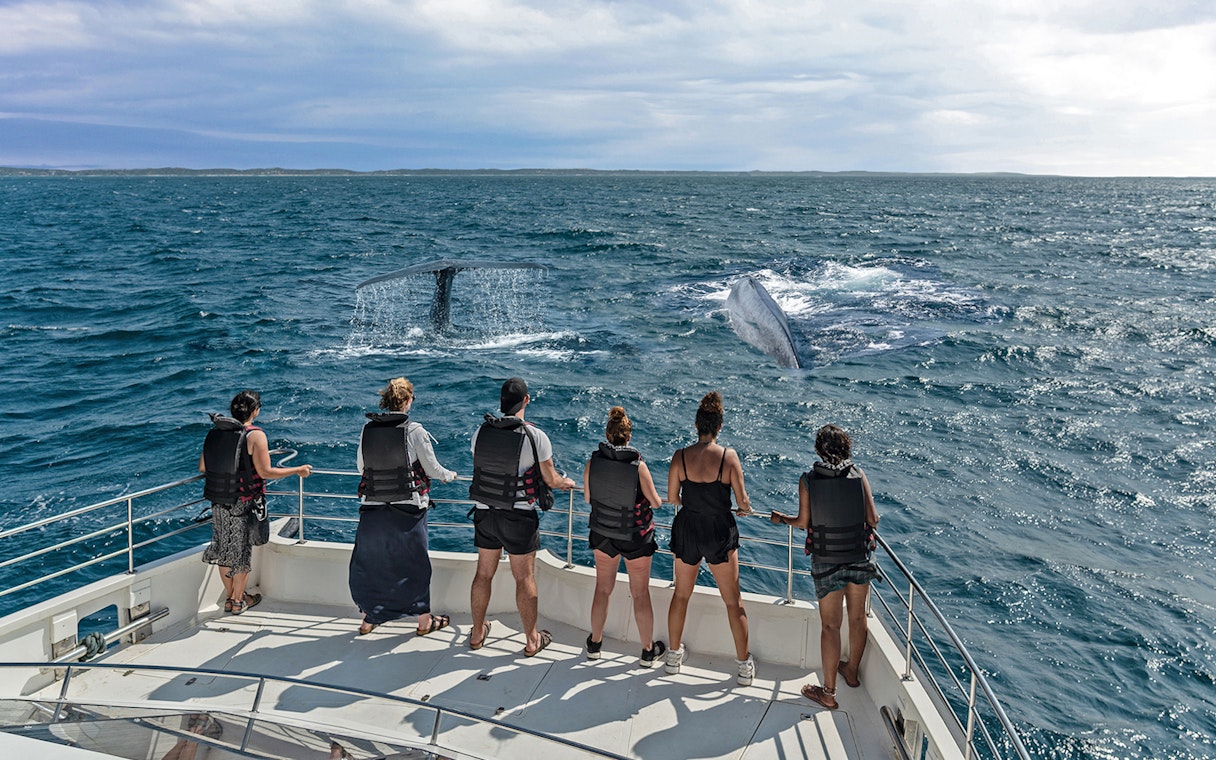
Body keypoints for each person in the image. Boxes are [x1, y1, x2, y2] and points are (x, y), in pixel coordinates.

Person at [770, 424, 881, 710]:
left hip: (827, 561)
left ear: (819, 450)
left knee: (831, 625)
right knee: (858, 618)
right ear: (846, 447)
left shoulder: (808, 480)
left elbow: (804, 523)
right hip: (859, 557)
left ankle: (829, 693)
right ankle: (852, 672)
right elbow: (874, 518)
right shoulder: (859, 474)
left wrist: (782, 519)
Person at [467, 377, 575, 656]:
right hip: (518, 517)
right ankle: (531, 640)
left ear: (502, 403)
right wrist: (566, 482)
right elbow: (550, 479)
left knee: (483, 574)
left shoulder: (480, 432)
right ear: (526, 400)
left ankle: (477, 633)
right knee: (524, 578)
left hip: (485, 513)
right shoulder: (535, 437)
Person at [350, 377, 458, 636]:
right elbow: (432, 469)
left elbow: (361, 468)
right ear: (408, 400)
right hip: (408, 509)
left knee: (374, 563)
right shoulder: (415, 431)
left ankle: (370, 618)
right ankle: (423, 621)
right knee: (414, 564)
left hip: (373, 507)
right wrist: (449, 475)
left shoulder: (368, 429)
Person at [665, 391, 755, 685]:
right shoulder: (728, 457)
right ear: (720, 425)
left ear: (696, 425)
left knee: (681, 594)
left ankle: (673, 657)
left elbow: (671, 497)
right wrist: (744, 508)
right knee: (733, 602)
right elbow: (742, 502)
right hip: (718, 530)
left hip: (688, 526)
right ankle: (743, 667)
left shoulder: (680, 456)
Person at [200, 390, 312, 615]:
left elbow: (203, 467)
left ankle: (232, 597)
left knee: (224, 549)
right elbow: (266, 471)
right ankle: (239, 601)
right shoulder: (255, 435)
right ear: (255, 411)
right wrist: (297, 470)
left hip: (219, 501)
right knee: (241, 551)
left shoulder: (216, 433)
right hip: (244, 502)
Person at [582, 406, 666, 667]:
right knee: (639, 593)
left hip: (603, 534)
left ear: (607, 435)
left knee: (602, 589)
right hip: (634, 537)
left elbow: (587, 497)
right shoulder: (638, 467)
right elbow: (655, 503)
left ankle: (595, 645)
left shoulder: (592, 462)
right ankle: (647, 651)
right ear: (628, 437)